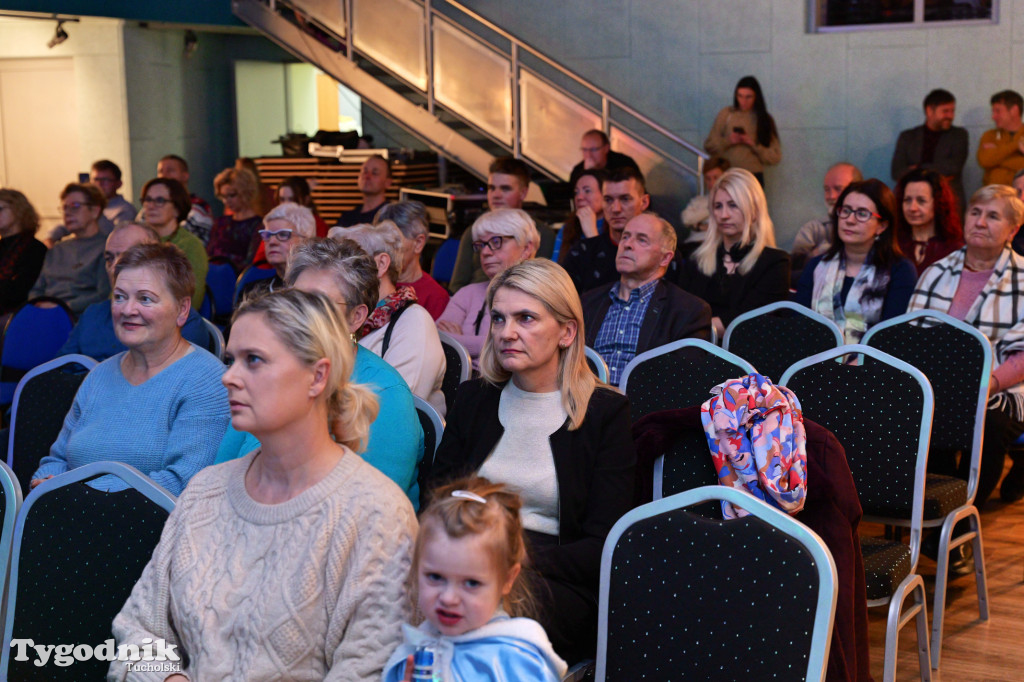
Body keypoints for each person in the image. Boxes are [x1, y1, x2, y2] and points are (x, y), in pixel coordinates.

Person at [110, 288, 417, 682]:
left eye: (253, 360)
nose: (229, 377)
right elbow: (139, 631)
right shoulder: (207, 491)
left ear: (317, 376)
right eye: (231, 359)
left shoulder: (375, 512)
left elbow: (370, 671)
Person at [430, 259, 636, 662]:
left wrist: (509, 557)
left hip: (554, 580)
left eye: (526, 318)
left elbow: (603, 544)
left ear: (566, 332)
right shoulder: (474, 399)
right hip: (463, 563)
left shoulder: (604, 413)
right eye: (499, 318)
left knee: (481, 622)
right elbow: (437, 498)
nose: (507, 333)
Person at [219, 237, 425, 509]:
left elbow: (365, 512)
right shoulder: (273, 372)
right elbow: (222, 472)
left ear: (356, 317)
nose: (300, 315)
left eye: (317, 304)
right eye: (294, 300)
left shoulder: (385, 396)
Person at [32, 242, 228, 495]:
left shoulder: (205, 380)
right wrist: (47, 482)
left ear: (182, 310)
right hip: (68, 520)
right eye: (120, 297)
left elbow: (183, 482)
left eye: (145, 299)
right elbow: (56, 460)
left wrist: (73, 493)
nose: (127, 310)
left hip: (150, 531)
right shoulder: (99, 375)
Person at [383, 477, 567, 682]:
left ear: (507, 579)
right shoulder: (416, 647)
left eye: (471, 583)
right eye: (435, 577)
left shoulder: (516, 660)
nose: (448, 598)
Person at [908, 185, 1024, 506]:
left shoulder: (1023, 278)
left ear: (1013, 229)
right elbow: (911, 339)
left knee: (990, 421)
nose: (980, 222)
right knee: (925, 412)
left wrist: (990, 384)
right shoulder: (935, 272)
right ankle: (939, 511)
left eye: (992, 216)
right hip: (940, 383)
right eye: (975, 213)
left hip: (1004, 388)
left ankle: (960, 519)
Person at [331, 221, 447, 417]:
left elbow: (394, 405)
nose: (334, 271)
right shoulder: (343, 320)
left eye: (348, 260)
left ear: (381, 264)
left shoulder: (413, 321)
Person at [584, 213, 711, 386]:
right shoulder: (587, 302)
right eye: (625, 237)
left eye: (641, 240)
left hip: (644, 407)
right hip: (585, 403)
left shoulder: (688, 311)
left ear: (665, 258)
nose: (627, 245)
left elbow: (682, 382)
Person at [58, 222, 211, 361]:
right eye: (109, 258)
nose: (114, 267)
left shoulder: (183, 322)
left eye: (128, 257)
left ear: (156, 257)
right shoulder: (93, 314)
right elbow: (58, 370)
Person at [795, 179, 917, 344]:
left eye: (862, 214)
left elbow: (893, 336)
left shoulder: (900, 271)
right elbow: (798, 325)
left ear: (882, 226)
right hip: (813, 361)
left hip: (873, 365)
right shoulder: (816, 266)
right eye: (846, 210)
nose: (850, 220)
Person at [676, 168, 790, 339]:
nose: (724, 215)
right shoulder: (696, 259)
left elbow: (749, 323)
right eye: (718, 206)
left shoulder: (775, 263)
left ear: (754, 211)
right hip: (695, 353)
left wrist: (692, 328)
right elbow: (679, 312)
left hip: (747, 358)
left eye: (733, 205)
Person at [437, 209, 539, 369]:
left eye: (496, 241)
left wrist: (460, 342)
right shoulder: (467, 293)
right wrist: (489, 343)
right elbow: (437, 338)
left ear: (526, 248)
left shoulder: (541, 296)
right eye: (481, 244)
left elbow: (527, 348)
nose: (485, 252)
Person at [448, 157, 556, 292]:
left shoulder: (542, 233)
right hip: (475, 304)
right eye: (491, 188)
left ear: (523, 193)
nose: (496, 195)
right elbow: (456, 286)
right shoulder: (473, 231)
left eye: (505, 189)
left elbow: (542, 286)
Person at [562, 167, 672, 295]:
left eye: (625, 199)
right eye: (608, 200)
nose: (615, 208)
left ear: (644, 202)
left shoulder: (661, 253)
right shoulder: (581, 252)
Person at [29, 183, 111, 315]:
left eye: (75, 206)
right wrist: (38, 305)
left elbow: (103, 295)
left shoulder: (107, 248)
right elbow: (36, 289)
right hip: (45, 313)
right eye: (65, 208)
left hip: (82, 317)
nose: (67, 213)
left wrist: (63, 307)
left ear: (95, 211)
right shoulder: (56, 250)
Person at [891, 89, 969, 206]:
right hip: (913, 202)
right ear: (929, 111)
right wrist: (935, 170)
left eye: (952, 111)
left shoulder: (959, 135)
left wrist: (917, 168)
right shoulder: (908, 137)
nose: (950, 116)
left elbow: (953, 168)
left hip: (948, 202)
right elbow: (896, 172)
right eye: (945, 111)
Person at [140, 177, 208, 309]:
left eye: (160, 200)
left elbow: (192, 299)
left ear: (177, 208)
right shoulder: (138, 240)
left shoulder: (191, 246)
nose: (151, 205)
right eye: (147, 199)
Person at [377, 200, 450, 320]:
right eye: (380, 240)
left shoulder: (435, 296)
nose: (384, 249)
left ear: (418, 243)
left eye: (393, 241)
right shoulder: (369, 285)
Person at [703, 76, 781, 184]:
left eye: (748, 97)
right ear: (736, 96)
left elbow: (775, 157)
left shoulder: (764, 119)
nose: (743, 101)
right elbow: (709, 146)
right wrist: (729, 141)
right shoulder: (727, 114)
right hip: (727, 173)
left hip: (753, 176)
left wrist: (753, 144)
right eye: (740, 96)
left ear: (756, 97)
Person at [790, 162, 862, 278]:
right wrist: (819, 254)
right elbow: (794, 267)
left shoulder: (869, 228)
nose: (831, 196)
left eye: (838, 189)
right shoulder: (814, 229)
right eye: (826, 189)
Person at [238, 203, 317, 299]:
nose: (272, 242)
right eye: (267, 235)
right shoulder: (252, 294)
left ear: (306, 241)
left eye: (283, 234)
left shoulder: (317, 293)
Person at [894, 167, 964, 275]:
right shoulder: (893, 245)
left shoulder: (954, 249)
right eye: (907, 200)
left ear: (938, 203)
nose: (912, 208)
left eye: (921, 201)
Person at [0, 188, 47, 316]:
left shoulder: (35, 249)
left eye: (0, 209)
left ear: (18, 210)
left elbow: (18, 291)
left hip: (18, 313)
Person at [207, 166, 262, 272]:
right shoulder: (220, 223)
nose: (226, 201)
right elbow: (209, 254)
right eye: (223, 196)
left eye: (231, 195)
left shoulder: (258, 225)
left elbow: (251, 263)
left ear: (245, 192)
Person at [158, 154, 215, 245]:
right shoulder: (150, 207)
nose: (164, 175)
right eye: (160, 171)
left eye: (170, 170)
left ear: (185, 176)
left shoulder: (198, 208)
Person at [554, 169, 607, 264]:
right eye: (576, 192)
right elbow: (555, 267)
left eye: (587, 191)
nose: (579, 197)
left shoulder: (614, 227)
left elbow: (606, 270)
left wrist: (591, 233)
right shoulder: (567, 228)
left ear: (605, 195)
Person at [680, 156, 730, 250]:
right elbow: (686, 219)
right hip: (694, 244)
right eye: (708, 179)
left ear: (725, 177)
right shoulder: (699, 200)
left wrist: (698, 226)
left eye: (716, 177)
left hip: (718, 246)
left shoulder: (733, 202)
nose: (711, 183)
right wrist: (713, 204)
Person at [977, 89, 1024, 186]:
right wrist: (1016, 145)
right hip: (993, 197)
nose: (993, 116)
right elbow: (985, 160)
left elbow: (990, 160)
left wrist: (996, 157)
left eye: (998, 111)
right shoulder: (989, 135)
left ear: (1014, 110)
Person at [567, 129, 640, 189]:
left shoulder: (624, 163)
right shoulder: (578, 171)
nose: (589, 155)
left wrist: (594, 172)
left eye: (594, 149)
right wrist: (587, 173)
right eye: (585, 150)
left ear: (606, 148)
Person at [335, 154, 392, 227]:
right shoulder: (347, 218)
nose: (367, 176)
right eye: (365, 172)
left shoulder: (391, 217)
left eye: (375, 173)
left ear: (388, 182)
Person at [91, 159, 136, 225]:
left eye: (105, 180)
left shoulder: (125, 211)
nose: (99, 184)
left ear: (118, 184)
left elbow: (117, 234)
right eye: (96, 180)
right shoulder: (86, 206)